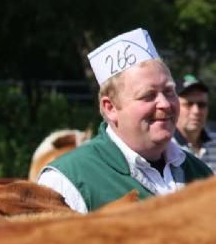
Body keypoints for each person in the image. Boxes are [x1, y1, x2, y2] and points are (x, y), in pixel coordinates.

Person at [37, 28, 212, 213]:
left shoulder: (200, 173)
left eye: (169, 91)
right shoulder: (67, 181)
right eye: (148, 95)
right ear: (110, 108)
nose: (165, 104)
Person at [172, 74, 216, 172]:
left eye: (202, 105)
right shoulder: (165, 148)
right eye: (189, 104)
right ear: (174, 107)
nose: (196, 111)